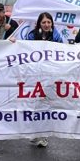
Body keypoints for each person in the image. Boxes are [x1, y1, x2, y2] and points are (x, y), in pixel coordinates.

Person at [23, 12, 63, 148]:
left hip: (51, 75)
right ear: (39, 24)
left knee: (46, 104)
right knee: (35, 103)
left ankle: (44, 135)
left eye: (49, 22)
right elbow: (22, 50)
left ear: (52, 24)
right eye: (44, 22)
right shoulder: (31, 36)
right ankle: (36, 132)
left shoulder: (57, 37)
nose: (46, 25)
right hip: (35, 74)